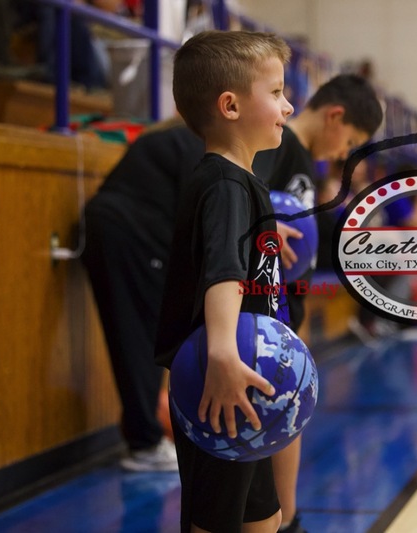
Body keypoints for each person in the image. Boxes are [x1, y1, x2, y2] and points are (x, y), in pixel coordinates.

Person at [154, 30, 293, 533]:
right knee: (216, 522)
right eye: (276, 92)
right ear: (231, 105)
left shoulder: (234, 183)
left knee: (263, 517)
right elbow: (223, 274)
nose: (289, 105)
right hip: (221, 384)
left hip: (242, 381)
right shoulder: (226, 186)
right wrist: (222, 358)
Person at [252, 73, 383, 533]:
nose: (346, 152)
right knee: (277, 420)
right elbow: (247, 208)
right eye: (351, 140)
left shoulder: (304, 160)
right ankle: (284, 521)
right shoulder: (277, 145)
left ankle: (286, 517)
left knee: (288, 417)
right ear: (335, 116)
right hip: (260, 312)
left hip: (286, 310)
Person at [81, 116, 201, 472]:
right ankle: (145, 443)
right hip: (132, 238)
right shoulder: (198, 148)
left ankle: (144, 435)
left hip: (105, 229)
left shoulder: (168, 138)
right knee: (141, 340)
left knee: (135, 336)